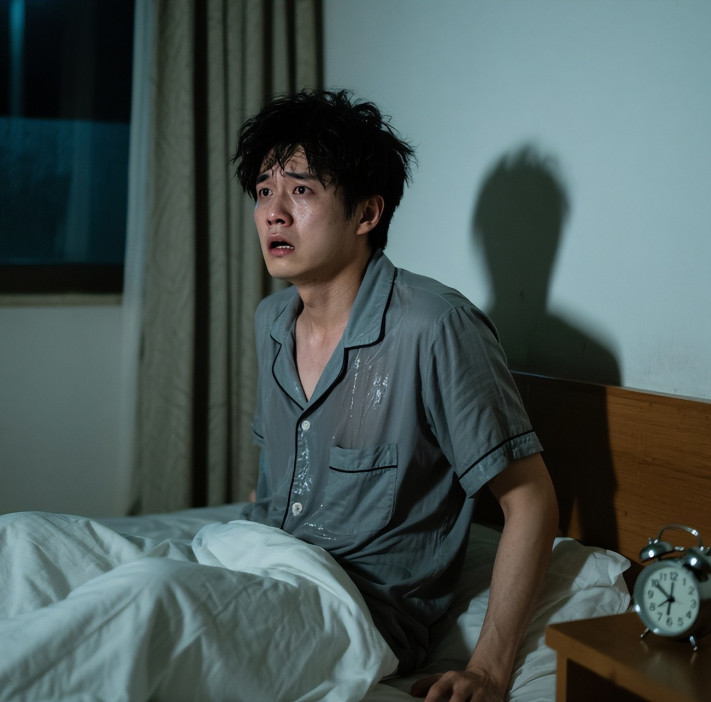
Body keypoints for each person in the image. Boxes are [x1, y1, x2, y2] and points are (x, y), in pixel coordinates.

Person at [231, 89, 559, 702]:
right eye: (264, 190)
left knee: (140, 615)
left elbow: (530, 499)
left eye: (300, 190)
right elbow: (272, 482)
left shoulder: (435, 327)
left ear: (366, 214)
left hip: (354, 612)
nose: (273, 212)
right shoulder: (271, 320)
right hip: (257, 570)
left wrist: (489, 670)